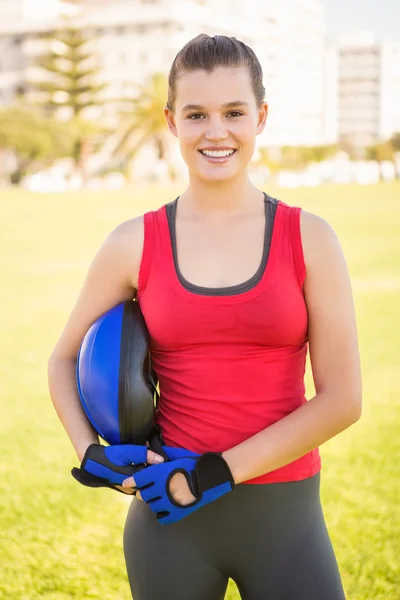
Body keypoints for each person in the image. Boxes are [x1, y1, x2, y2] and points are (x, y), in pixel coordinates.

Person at [48, 34, 362, 600]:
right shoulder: (133, 244)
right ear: (172, 122)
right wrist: (90, 453)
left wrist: (212, 474)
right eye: (196, 114)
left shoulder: (308, 238)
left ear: (261, 117)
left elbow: (342, 399)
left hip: (284, 521)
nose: (216, 132)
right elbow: (63, 357)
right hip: (169, 520)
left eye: (234, 112)